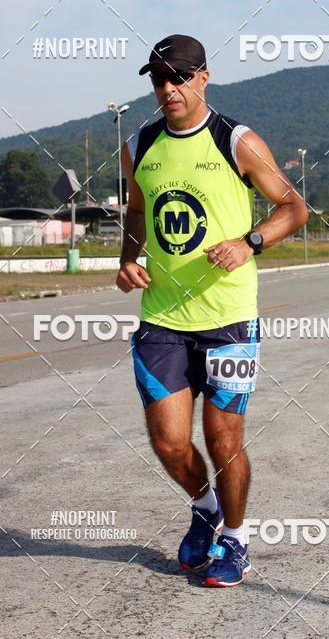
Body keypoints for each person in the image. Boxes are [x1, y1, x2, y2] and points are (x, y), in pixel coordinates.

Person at [116, 34, 308, 587]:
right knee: (169, 442)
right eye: (158, 79)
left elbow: (293, 207)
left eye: (178, 76)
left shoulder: (236, 140)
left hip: (228, 321)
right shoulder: (140, 144)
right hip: (162, 320)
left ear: (203, 77)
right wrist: (128, 259)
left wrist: (250, 243)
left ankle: (237, 540)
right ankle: (206, 510)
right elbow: (136, 209)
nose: (168, 88)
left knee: (224, 439)